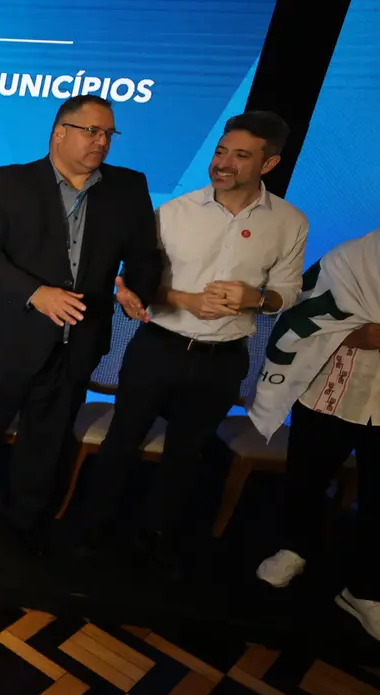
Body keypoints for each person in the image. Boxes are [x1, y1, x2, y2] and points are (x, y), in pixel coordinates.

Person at [73, 112, 307, 574]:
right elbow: (138, 282)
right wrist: (185, 300)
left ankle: (153, 538)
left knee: (186, 453)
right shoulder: (173, 212)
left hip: (223, 359)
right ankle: (90, 531)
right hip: (158, 347)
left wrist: (256, 298)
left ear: (269, 163)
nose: (223, 163)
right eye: (221, 151)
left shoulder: (289, 222)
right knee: (123, 440)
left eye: (241, 156)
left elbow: (287, 292)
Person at [0, 95, 162, 546]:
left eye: (108, 134)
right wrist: (35, 293)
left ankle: (23, 525)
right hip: (4, 337)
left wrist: (135, 288)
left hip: (76, 341)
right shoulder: (8, 181)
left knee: (47, 442)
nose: (102, 142)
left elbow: (144, 257)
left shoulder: (128, 187)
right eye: (92, 131)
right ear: (59, 132)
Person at [251, 227, 380, 643]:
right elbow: (302, 315)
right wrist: (357, 335)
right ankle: (295, 548)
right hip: (332, 389)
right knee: (307, 478)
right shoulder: (350, 258)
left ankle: (365, 590)